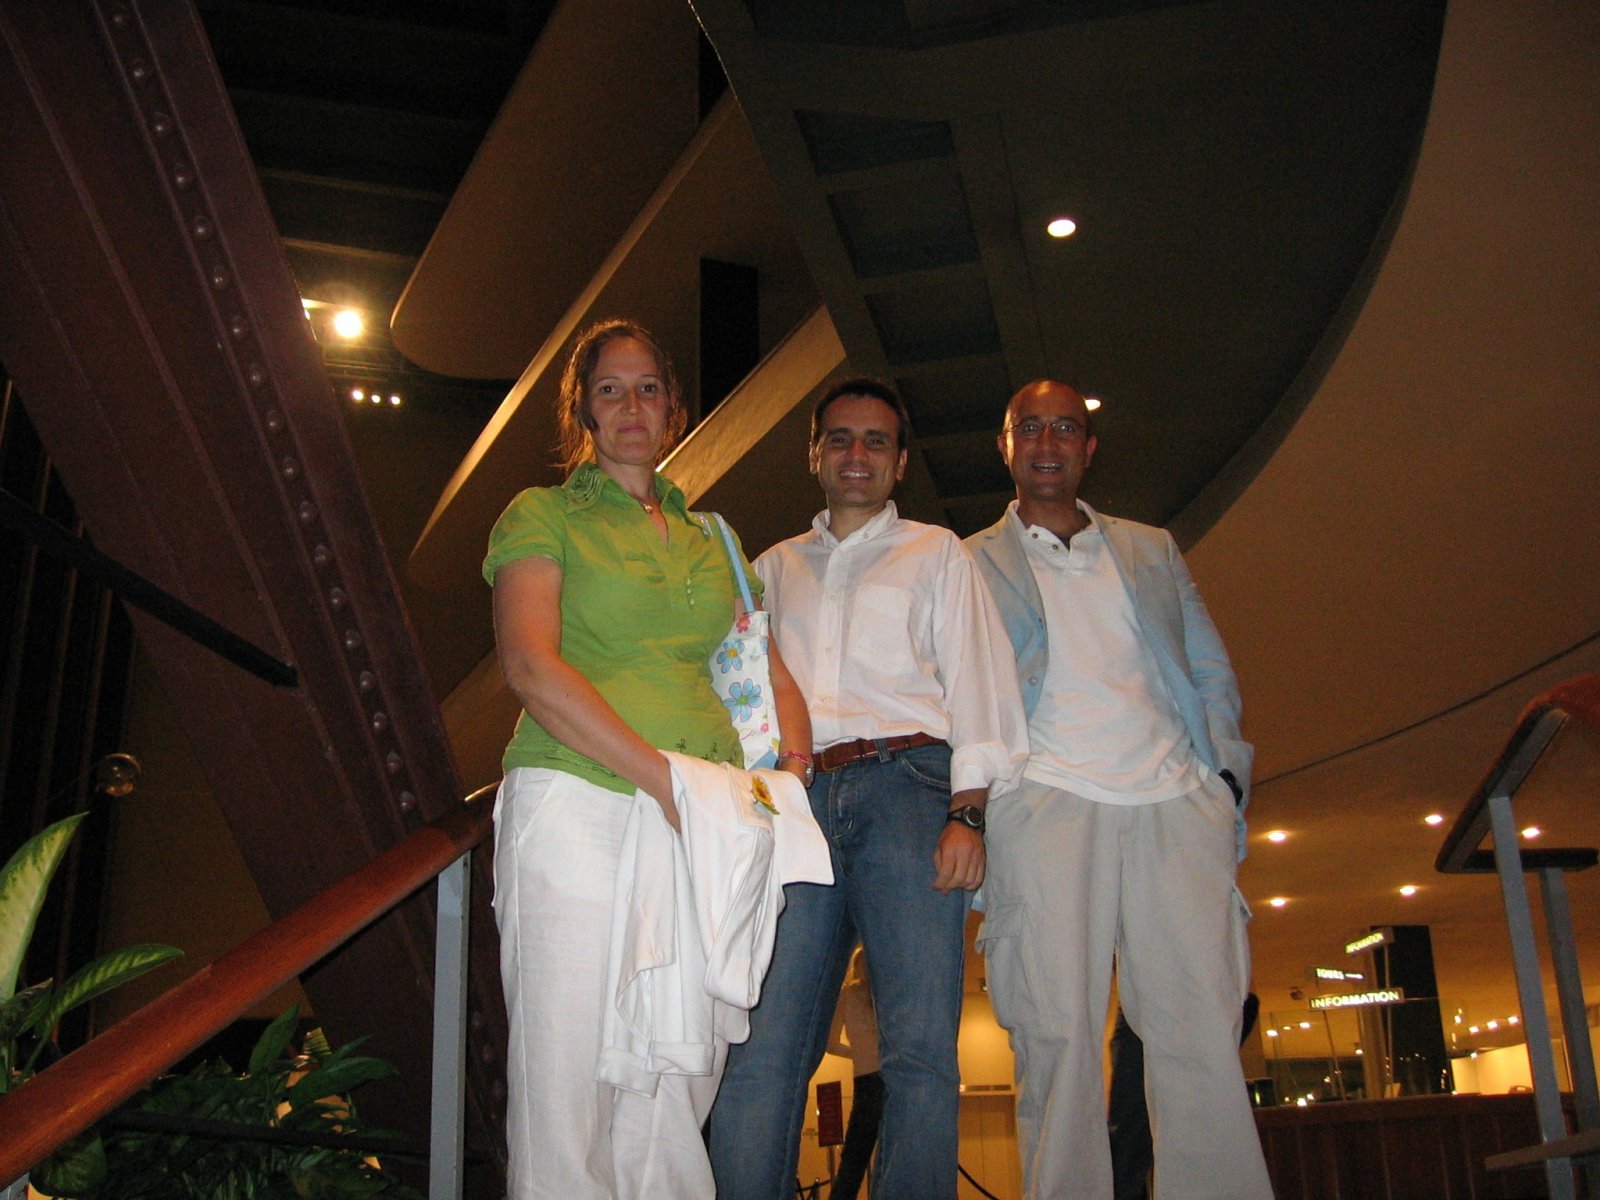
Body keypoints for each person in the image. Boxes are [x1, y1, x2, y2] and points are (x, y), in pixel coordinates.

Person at [483, 319, 813, 1199]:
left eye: (648, 388)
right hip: (577, 802)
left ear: (674, 408)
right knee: (568, 1076)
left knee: (679, 1072)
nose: (631, 406)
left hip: (705, 814)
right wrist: (662, 779)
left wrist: (793, 771)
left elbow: (765, 667)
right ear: (583, 413)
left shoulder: (714, 538)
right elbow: (530, 666)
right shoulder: (542, 514)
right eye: (610, 390)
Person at [710, 377, 1028, 1200]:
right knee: (763, 1046)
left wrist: (968, 813)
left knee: (919, 1051)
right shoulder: (768, 571)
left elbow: (980, 682)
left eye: (876, 440)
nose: (857, 454)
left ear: (900, 462)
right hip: (797, 802)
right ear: (814, 454)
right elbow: (739, 701)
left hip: (909, 791)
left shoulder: (937, 553)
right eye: (841, 438)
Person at [966, 379, 1274, 1200]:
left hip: (1175, 802)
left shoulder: (1151, 547)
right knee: (1057, 1035)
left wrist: (1223, 780)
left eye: (1065, 427)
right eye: (1030, 427)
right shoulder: (965, 560)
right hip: (1046, 799)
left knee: (1200, 1034)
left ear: (1089, 447)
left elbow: (1207, 666)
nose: (1048, 443)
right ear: (1006, 446)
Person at [826, 946, 883, 1200]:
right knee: (894, 1152)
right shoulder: (883, 994)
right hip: (891, 1076)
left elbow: (830, 1044)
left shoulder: (847, 995)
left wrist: (857, 1053)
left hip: (865, 1080)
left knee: (854, 1159)